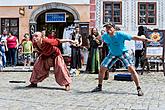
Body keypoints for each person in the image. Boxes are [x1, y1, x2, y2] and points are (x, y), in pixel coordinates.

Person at [91, 22, 153, 96]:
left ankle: (138, 88)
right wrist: (96, 38)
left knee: (132, 70)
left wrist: (145, 39)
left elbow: (133, 37)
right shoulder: (105, 36)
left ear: (114, 28)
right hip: (112, 53)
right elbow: (100, 37)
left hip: (123, 53)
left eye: (109, 28)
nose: (108, 29)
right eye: (106, 28)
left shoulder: (120, 34)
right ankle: (99, 86)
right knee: (102, 68)